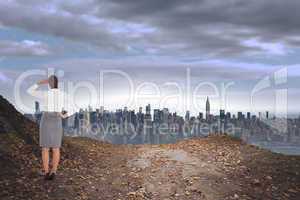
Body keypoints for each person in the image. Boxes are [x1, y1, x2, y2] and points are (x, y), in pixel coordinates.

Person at [27, 75, 74, 180]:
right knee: (56, 148)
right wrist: (64, 115)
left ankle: (46, 172)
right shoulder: (63, 95)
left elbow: (29, 91)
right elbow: (74, 107)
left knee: (45, 148)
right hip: (57, 119)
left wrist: (39, 82)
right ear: (57, 83)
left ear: (49, 83)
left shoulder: (45, 94)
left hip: (46, 119)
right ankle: (54, 171)